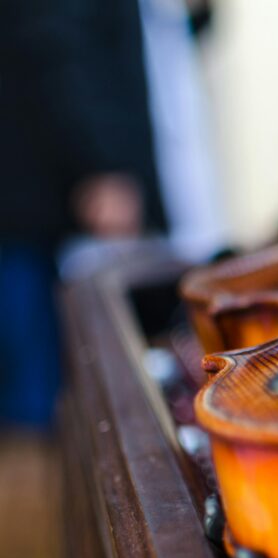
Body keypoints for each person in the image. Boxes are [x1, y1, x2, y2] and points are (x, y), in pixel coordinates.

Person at [0, 0, 164, 428]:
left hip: (37, 196)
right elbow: (58, 47)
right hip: (37, 201)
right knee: (39, 395)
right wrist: (101, 164)